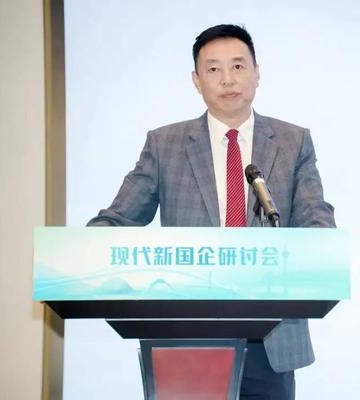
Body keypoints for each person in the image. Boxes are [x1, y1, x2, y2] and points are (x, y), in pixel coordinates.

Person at [88, 24, 335, 400]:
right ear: (196, 80)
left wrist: (319, 247)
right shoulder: (165, 144)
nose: (227, 79)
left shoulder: (293, 141)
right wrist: (79, 249)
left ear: (257, 73)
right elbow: (119, 219)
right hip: (189, 338)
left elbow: (315, 218)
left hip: (272, 340)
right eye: (214, 69)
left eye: (238, 66)